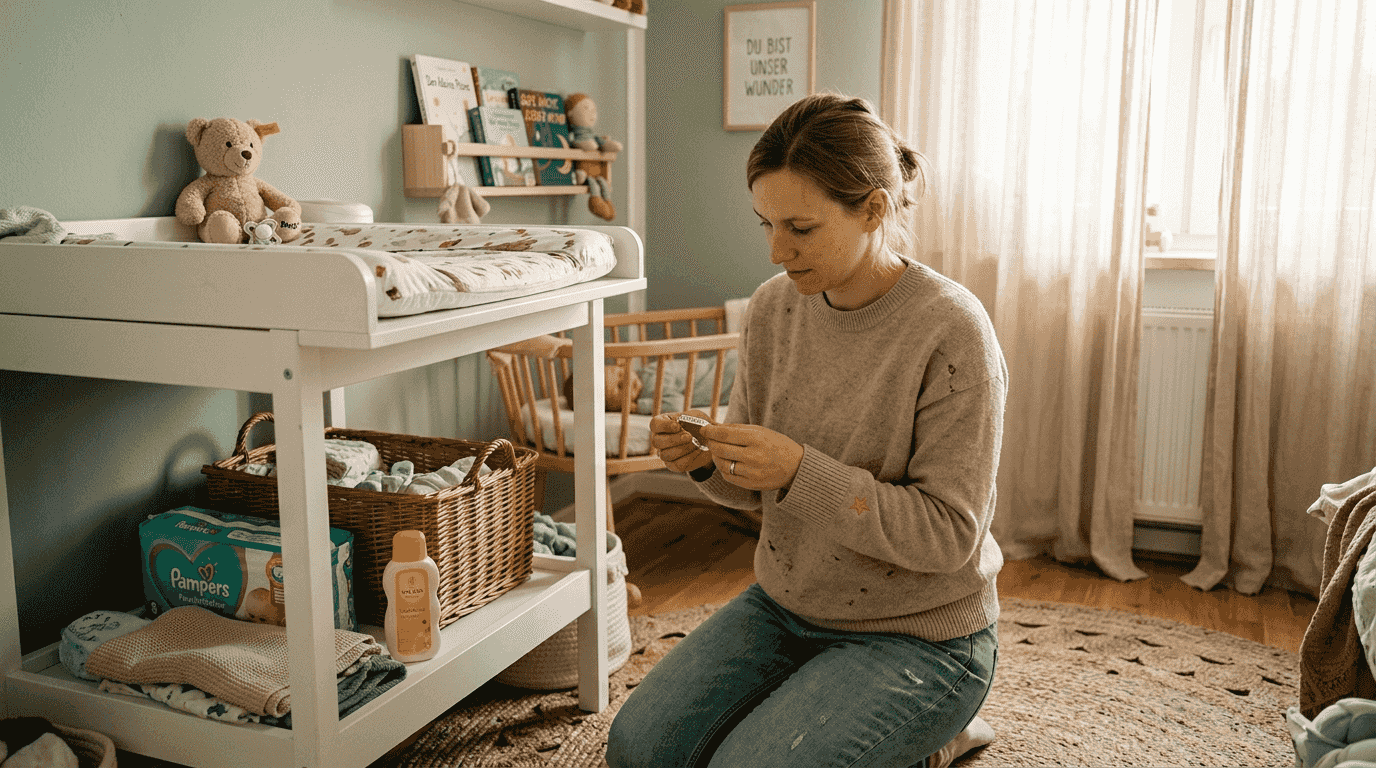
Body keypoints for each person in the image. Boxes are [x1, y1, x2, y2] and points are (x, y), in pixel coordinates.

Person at [604, 92, 1007, 768]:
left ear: (874, 209)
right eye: (764, 223)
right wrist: (705, 464)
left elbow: (949, 536)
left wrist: (798, 469)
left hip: (921, 636)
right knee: (638, 752)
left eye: (800, 227)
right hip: (787, 607)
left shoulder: (951, 330)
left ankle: (937, 732)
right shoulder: (772, 310)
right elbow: (758, 492)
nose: (774, 251)